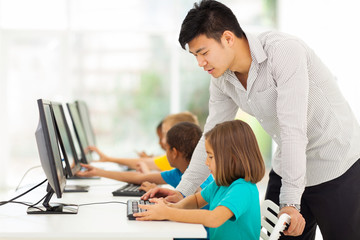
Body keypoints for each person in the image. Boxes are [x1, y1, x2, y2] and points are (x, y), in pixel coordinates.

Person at [142, 1, 360, 239]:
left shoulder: (284, 52)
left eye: (203, 53)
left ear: (227, 38)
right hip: (289, 162)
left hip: (336, 163)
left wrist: (291, 203)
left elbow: (293, 130)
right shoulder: (221, 79)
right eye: (195, 56)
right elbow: (211, 135)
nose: (200, 63)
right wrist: (182, 192)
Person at [135, 120, 265, 240]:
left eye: (210, 156)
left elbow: (214, 218)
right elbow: (197, 200)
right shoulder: (220, 184)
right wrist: (174, 206)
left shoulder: (242, 189)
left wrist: (169, 212)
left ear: (232, 158)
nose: (206, 162)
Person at [76, 122, 213, 192]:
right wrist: (98, 172)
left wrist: (160, 192)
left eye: (166, 148)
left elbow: (195, 202)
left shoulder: (199, 178)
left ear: (174, 152)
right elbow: (140, 178)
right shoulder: (178, 172)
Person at [87, 111, 199, 173]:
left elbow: (144, 165)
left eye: (165, 134)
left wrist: (108, 159)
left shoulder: (181, 163)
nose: (163, 140)